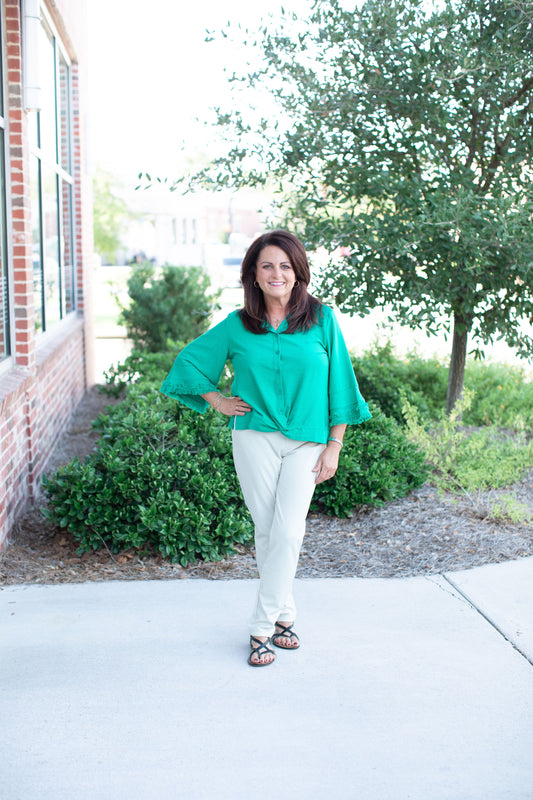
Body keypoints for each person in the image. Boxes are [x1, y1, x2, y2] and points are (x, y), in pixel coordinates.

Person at [160, 230, 371, 667]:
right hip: (253, 435)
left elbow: (341, 387)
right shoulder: (238, 325)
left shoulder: (322, 320)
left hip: (309, 441)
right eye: (267, 266)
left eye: (285, 266)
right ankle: (285, 616)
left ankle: (260, 626)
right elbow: (190, 362)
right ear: (253, 275)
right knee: (267, 530)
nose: (277, 273)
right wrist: (217, 400)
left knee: (289, 530)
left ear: (298, 274)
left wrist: (335, 445)